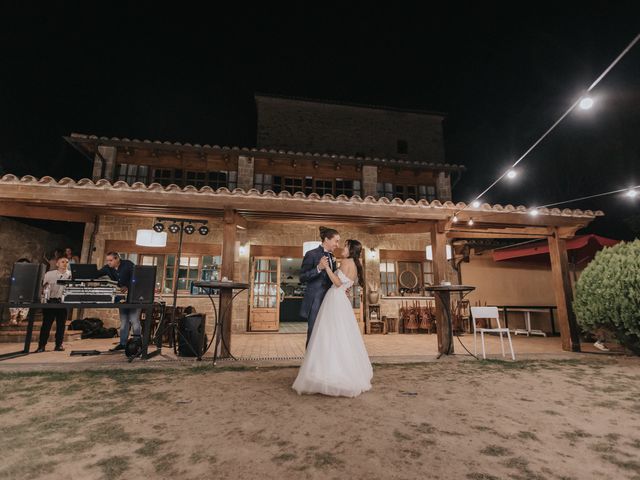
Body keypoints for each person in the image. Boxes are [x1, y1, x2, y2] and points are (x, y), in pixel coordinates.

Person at [293, 239, 373, 398]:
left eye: (345, 245)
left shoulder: (345, 262)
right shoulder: (354, 264)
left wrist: (327, 268)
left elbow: (337, 283)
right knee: (339, 335)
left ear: (350, 249)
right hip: (341, 300)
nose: (342, 247)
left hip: (335, 299)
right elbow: (346, 283)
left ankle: (329, 371)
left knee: (328, 335)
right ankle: (339, 368)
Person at [299, 226, 340, 347]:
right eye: (336, 241)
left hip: (330, 300)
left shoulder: (332, 257)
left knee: (327, 333)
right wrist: (318, 268)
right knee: (314, 333)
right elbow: (302, 277)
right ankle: (309, 364)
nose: (337, 245)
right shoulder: (311, 254)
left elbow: (333, 277)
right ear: (327, 240)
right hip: (315, 301)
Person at [95, 252, 139, 351]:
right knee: (124, 321)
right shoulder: (107, 268)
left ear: (117, 259)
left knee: (134, 320)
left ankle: (137, 344)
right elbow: (96, 274)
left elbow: (136, 276)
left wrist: (127, 286)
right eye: (107, 260)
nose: (108, 262)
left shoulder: (128, 264)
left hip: (133, 296)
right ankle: (123, 344)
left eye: (110, 260)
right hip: (121, 297)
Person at [37, 257, 71, 352]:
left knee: (61, 325)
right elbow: (43, 286)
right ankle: (41, 346)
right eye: (62, 262)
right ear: (57, 264)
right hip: (50, 302)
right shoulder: (49, 274)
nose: (65, 264)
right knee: (46, 324)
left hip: (62, 302)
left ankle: (59, 345)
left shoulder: (71, 275)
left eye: (67, 262)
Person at [8, 258, 31, 325]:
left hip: (26, 294)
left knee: (26, 302)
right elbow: (13, 282)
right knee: (13, 300)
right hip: (15, 292)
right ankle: (13, 317)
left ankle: (21, 318)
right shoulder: (16, 273)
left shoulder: (31, 275)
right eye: (22, 265)